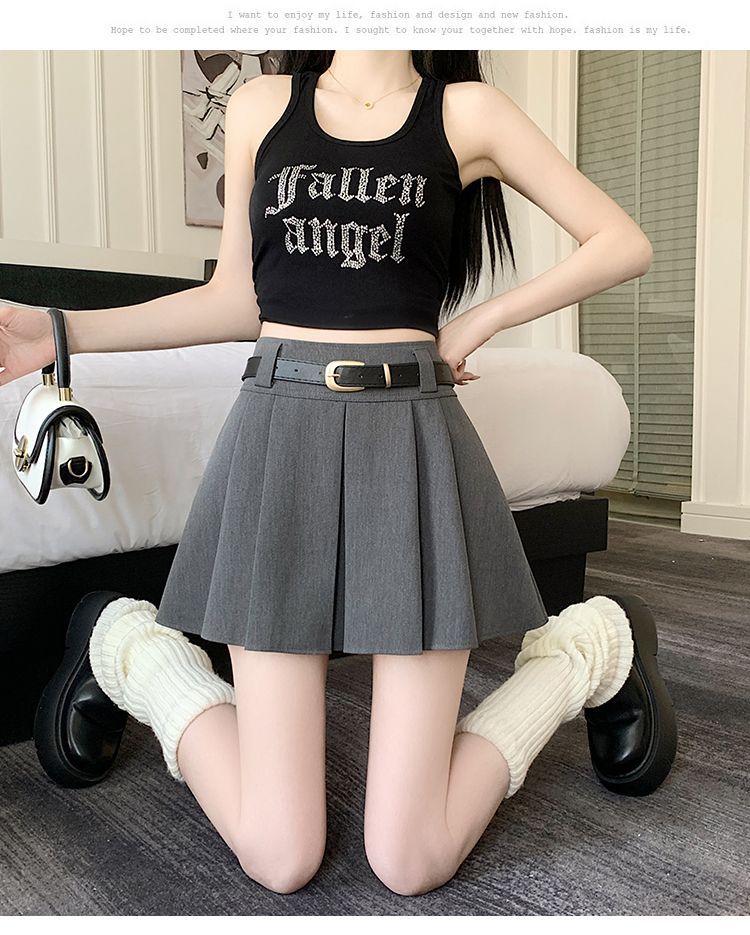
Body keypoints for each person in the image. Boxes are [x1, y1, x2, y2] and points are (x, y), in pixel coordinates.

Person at [0, 49, 676, 897]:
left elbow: (623, 241)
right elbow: (235, 300)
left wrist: (481, 320)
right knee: (280, 855)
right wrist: (58, 330)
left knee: (411, 858)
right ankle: (128, 646)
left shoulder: (467, 112)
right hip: (280, 438)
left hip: (414, 442)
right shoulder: (260, 106)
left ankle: (589, 650)